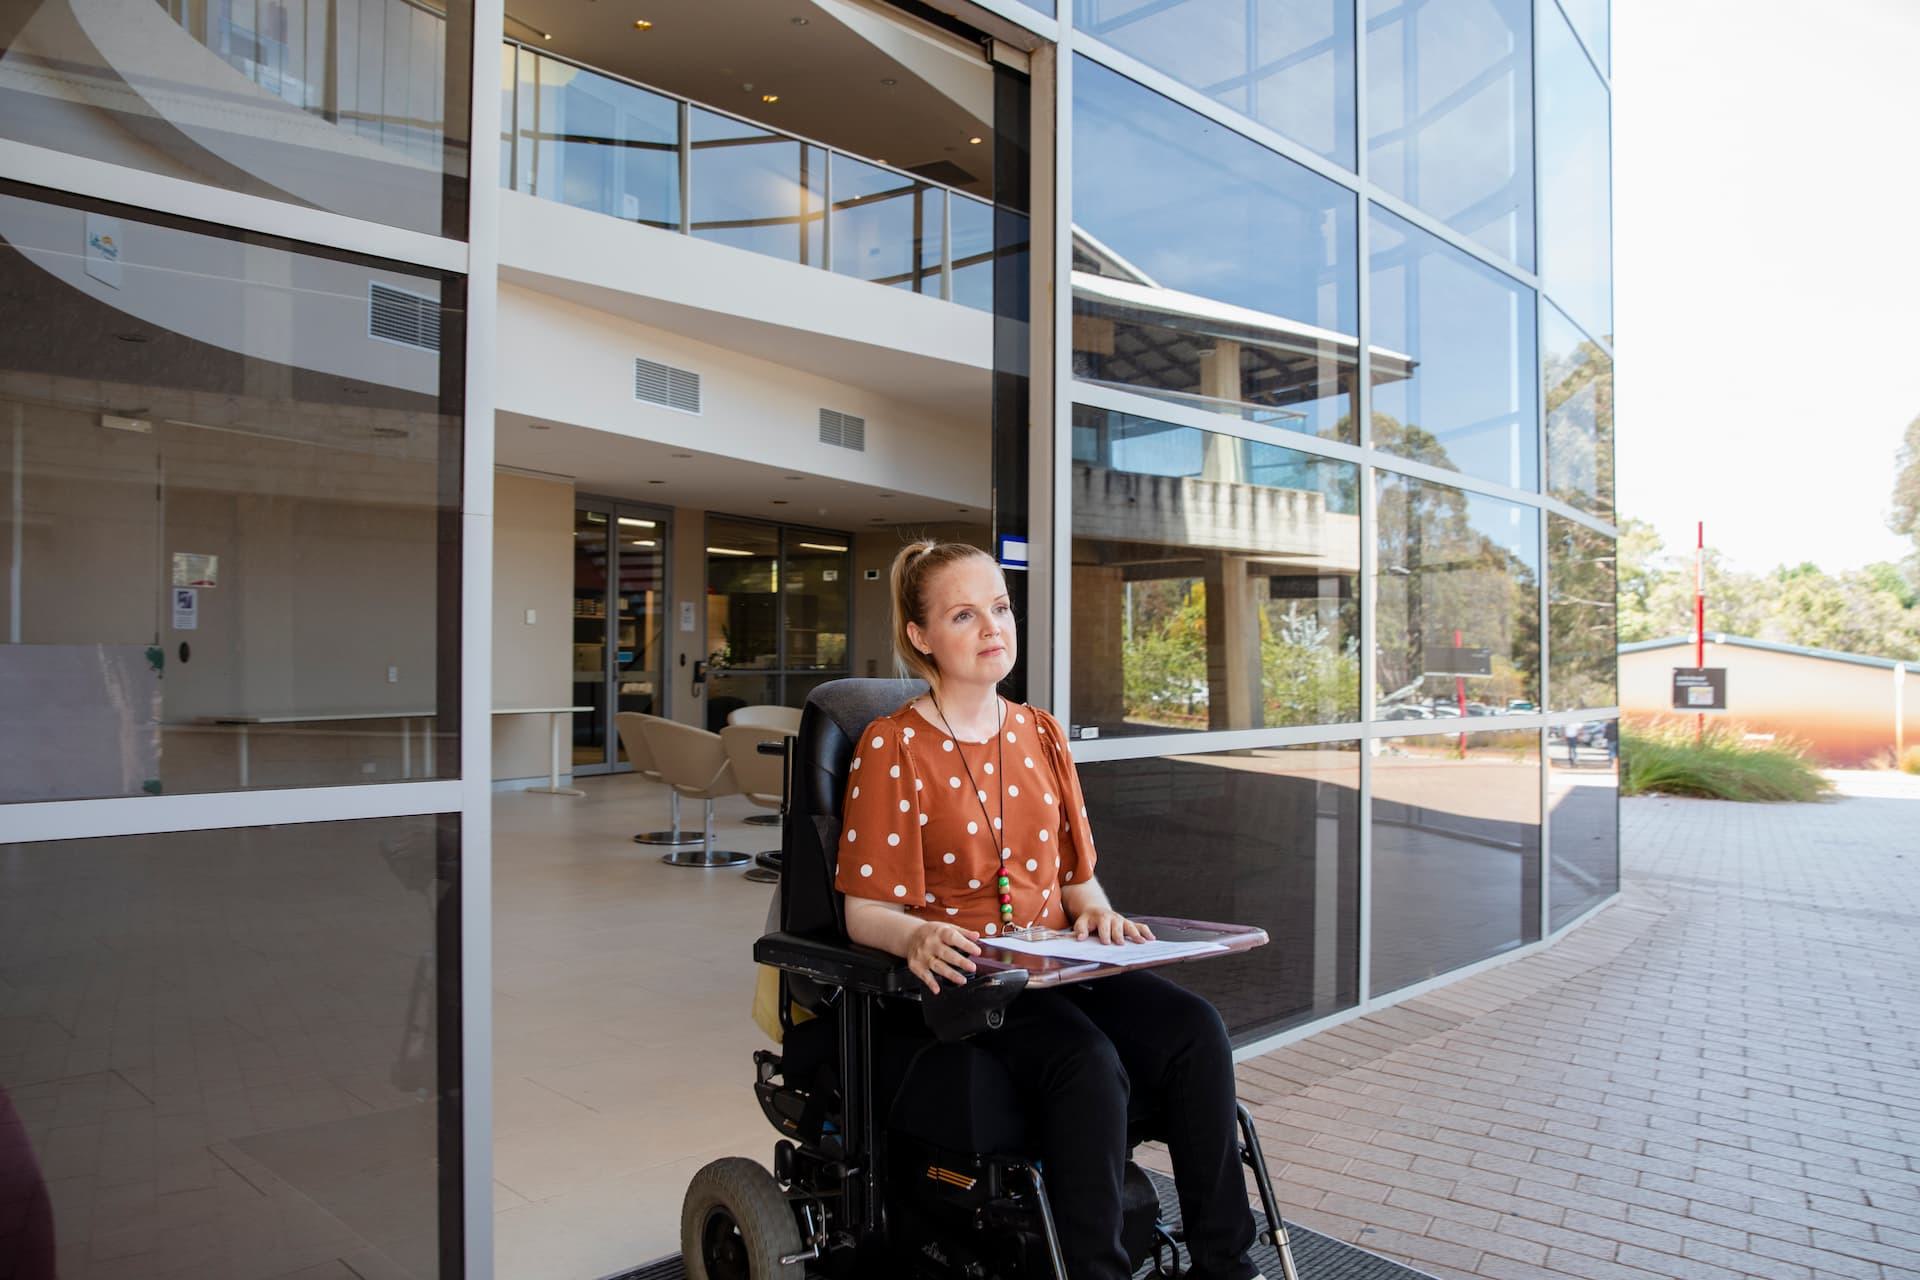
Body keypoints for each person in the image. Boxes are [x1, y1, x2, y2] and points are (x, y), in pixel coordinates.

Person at [833, 540, 1263, 1280]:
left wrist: (1101, 915)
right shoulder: (893, 745)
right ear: (920, 637)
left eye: (998, 608)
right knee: (1087, 1063)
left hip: (1066, 962)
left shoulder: (1040, 734)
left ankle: (1226, 1265)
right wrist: (917, 934)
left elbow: (1078, 884)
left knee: (1197, 1031)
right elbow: (863, 911)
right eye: (964, 614)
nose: (992, 626)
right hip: (971, 980)